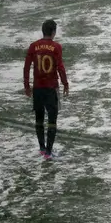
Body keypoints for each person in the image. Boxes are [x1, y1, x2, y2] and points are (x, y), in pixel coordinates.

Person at [23, 19, 69, 160]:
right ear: (53, 32)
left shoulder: (33, 46)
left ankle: (42, 149)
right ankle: (49, 152)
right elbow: (60, 67)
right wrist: (65, 83)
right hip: (51, 88)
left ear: (43, 31)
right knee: (52, 120)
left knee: (39, 118)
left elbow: (26, 67)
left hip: (37, 88)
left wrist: (27, 86)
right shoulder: (56, 47)